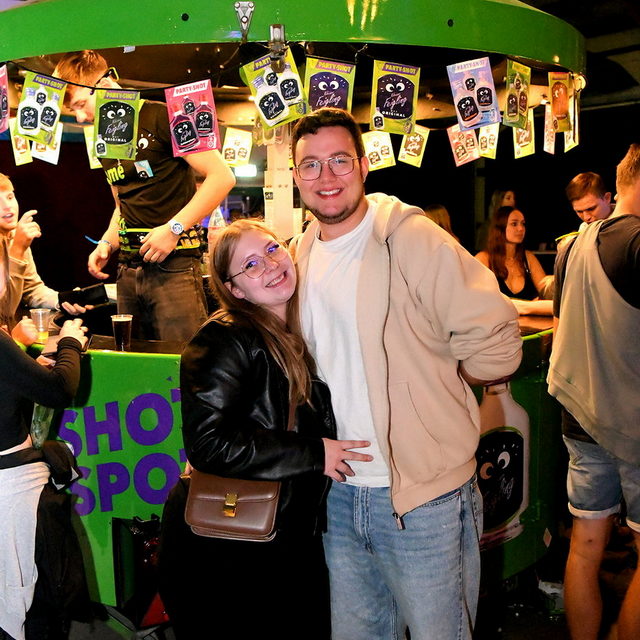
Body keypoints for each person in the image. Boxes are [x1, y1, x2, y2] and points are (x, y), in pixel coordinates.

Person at [289, 107, 522, 640]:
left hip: (424, 497)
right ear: (297, 176)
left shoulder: (410, 237)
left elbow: (498, 337)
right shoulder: (300, 253)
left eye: (340, 160)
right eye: (311, 165)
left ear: (363, 164)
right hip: (340, 493)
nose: (326, 176)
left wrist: (438, 383)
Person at [157, 219, 372, 639]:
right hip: (228, 551)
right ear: (234, 289)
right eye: (251, 264)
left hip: (279, 539)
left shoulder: (294, 330)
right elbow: (208, 443)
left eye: (272, 249)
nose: (270, 264)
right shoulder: (225, 336)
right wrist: (316, 453)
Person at [52, 50, 236, 341]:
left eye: (81, 104)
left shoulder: (163, 115)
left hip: (174, 266)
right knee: (134, 357)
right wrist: (106, 243)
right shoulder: (106, 138)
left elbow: (222, 176)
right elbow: (121, 205)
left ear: (104, 83)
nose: (81, 117)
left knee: (181, 359)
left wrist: (174, 229)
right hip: (128, 268)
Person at [548, 144, 640, 640]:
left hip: (579, 414)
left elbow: (562, 320)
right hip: (632, 420)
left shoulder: (569, 248)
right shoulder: (637, 240)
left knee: (584, 545)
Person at [0, 238, 89, 640]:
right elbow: (59, 390)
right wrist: (70, 342)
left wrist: (25, 365)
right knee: (34, 607)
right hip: (13, 496)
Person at [0, 173, 87, 319]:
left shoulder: (14, 236)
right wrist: (18, 249)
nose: (7, 206)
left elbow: (31, 290)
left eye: (10, 197)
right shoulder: (18, 241)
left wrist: (62, 300)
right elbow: (4, 311)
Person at [475, 206, 553, 315]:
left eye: (523, 224)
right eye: (514, 224)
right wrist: (529, 305)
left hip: (531, 323)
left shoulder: (528, 257)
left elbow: (546, 291)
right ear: (500, 228)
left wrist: (554, 281)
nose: (521, 228)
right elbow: (477, 298)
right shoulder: (483, 259)